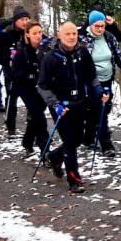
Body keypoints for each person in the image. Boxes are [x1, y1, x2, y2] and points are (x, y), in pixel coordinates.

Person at [37, 21, 95, 191]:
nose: (71, 37)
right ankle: (73, 177)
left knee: (77, 140)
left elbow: (91, 75)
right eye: (67, 34)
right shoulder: (51, 58)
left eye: (74, 34)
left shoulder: (83, 52)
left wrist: (99, 90)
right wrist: (55, 104)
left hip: (80, 102)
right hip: (61, 106)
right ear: (59, 35)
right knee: (69, 141)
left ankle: (55, 157)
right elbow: (42, 85)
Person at [82, 9, 121, 156]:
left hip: (107, 78)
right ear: (90, 25)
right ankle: (106, 144)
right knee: (100, 109)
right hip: (90, 80)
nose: (100, 29)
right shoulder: (83, 39)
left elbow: (117, 53)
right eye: (97, 26)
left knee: (100, 109)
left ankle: (88, 138)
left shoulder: (109, 37)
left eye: (102, 26)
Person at [10, 21, 48, 157]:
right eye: (35, 33)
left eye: (40, 32)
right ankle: (46, 151)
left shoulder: (46, 49)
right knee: (40, 118)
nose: (38, 36)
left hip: (42, 89)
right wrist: (29, 71)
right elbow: (14, 74)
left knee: (35, 117)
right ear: (27, 35)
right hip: (26, 89)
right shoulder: (21, 52)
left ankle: (27, 141)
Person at [0, 6, 32, 134]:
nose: (25, 22)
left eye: (27, 19)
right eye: (22, 19)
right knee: (12, 98)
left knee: (31, 98)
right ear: (15, 20)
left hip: (28, 71)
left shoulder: (30, 32)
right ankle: (10, 126)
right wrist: (8, 62)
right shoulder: (6, 34)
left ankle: (31, 124)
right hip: (11, 72)